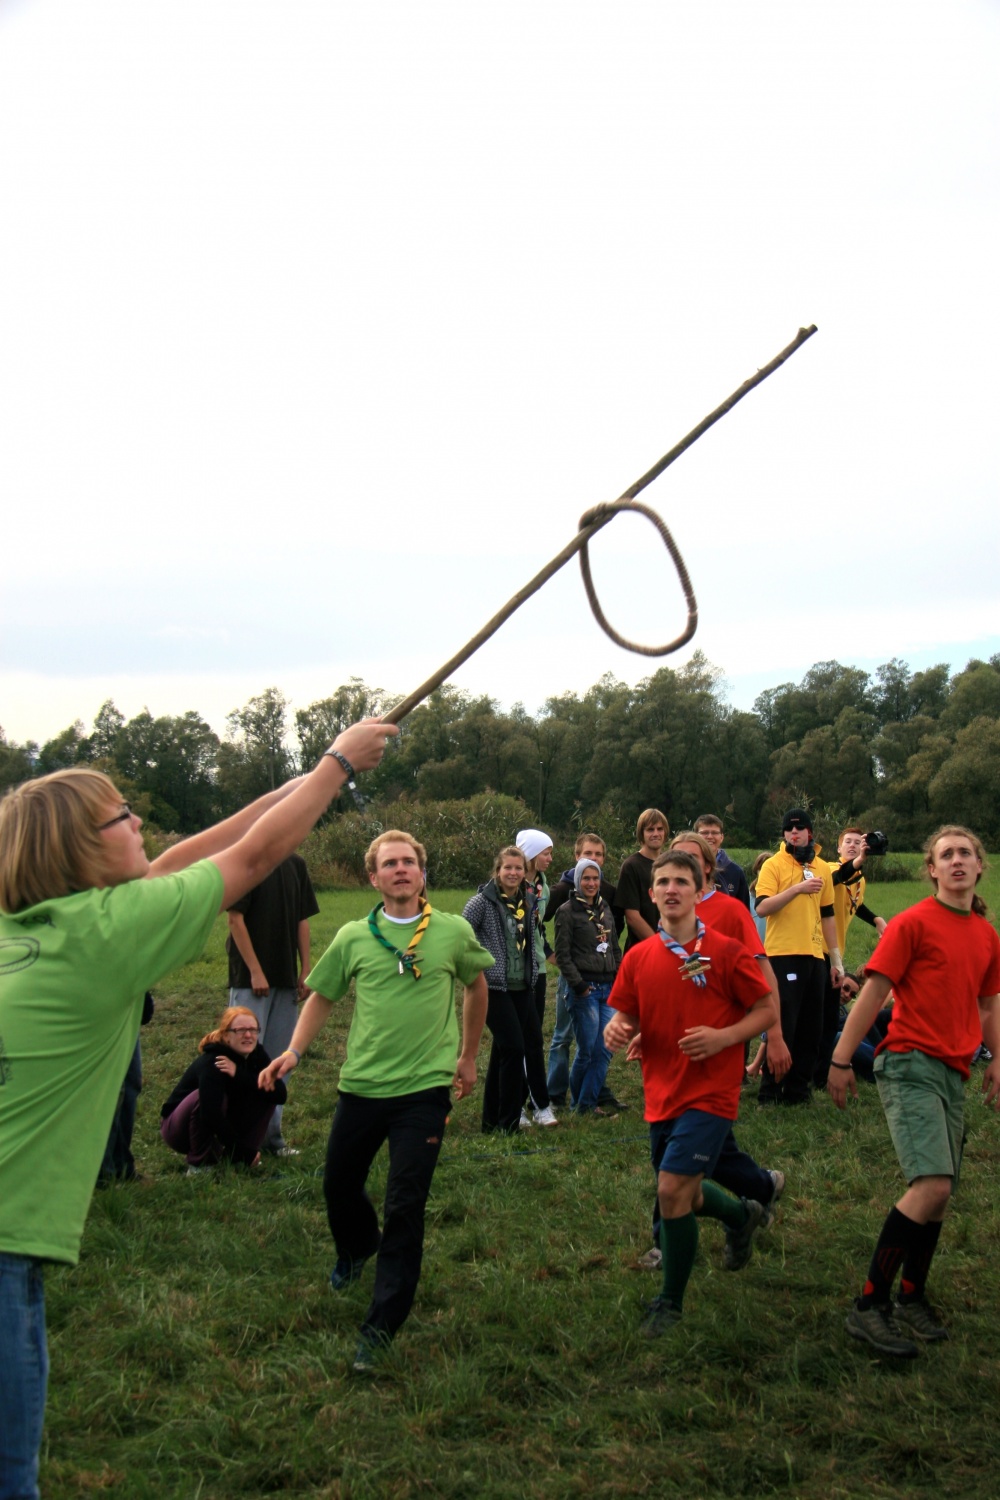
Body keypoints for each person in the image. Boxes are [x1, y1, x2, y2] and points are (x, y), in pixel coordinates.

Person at [0, 716, 394, 1496]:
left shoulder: (30, 926)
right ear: (80, 849)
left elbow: (194, 853)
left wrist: (316, 775)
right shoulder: (107, 934)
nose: (139, 820)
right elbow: (250, 858)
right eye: (121, 815)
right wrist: (340, 764)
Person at [258, 830, 491, 1373]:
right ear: (374, 876)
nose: (401, 870)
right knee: (338, 1185)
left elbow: (476, 986)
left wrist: (468, 1056)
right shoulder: (354, 936)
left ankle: (381, 1325)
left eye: (410, 861)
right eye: (390, 864)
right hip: (361, 1086)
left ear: (423, 872)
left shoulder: (453, 931)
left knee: (404, 1206)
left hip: (425, 1092)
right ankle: (358, 1247)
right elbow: (322, 997)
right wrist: (293, 1051)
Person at [827, 825, 1000, 1357]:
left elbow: (989, 1005)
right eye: (945, 855)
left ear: (979, 867)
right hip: (909, 1064)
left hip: (955, 1071)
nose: (955, 862)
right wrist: (838, 1059)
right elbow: (873, 991)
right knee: (932, 1184)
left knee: (940, 1197)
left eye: (965, 854)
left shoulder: (986, 935)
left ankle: (912, 1296)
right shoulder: (911, 923)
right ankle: (869, 1305)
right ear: (931, 869)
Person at [604, 850, 776, 1336]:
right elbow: (630, 1013)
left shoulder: (724, 950)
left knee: (671, 1189)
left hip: (713, 1092)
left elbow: (765, 1011)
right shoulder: (638, 957)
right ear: (652, 892)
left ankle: (669, 1303)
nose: (673, 889)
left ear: (701, 890)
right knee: (689, 1192)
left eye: (683, 881)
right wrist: (620, 1029)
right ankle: (742, 1216)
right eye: (664, 881)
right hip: (662, 1091)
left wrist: (724, 1038)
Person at [226, 853, 319, 1155]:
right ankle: (237, 1142)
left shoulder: (296, 864)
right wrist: (254, 970)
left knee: (280, 1059)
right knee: (244, 1059)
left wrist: (305, 969)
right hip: (250, 981)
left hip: (285, 978)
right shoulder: (250, 860)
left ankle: (270, 1138)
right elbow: (235, 918)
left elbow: (302, 920)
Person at [754, 808, 843, 1105]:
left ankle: (798, 1090)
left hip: (815, 956)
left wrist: (836, 961)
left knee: (811, 1026)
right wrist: (798, 889)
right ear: (784, 834)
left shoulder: (822, 868)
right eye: (789, 830)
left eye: (800, 829)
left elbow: (828, 915)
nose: (794, 833)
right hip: (782, 954)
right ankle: (770, 1089)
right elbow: (763, 907)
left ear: (810, 833)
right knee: (784, 1023)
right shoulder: (773, 865)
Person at [463, 846, 553, 1133]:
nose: (513, 873)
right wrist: (477, 967)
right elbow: (461, 936)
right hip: (494, 987)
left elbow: (533, 937)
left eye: (518, 868)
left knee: (503, 1052)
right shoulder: (481, 902)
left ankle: (491, 1122)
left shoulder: (528, 898)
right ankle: (510, 1122)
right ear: (497, 871)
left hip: (522, 985)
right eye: (508, 868)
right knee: (514, 1048)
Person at [545, 831, 626, 1109]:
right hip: (578, 984)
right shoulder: (563, 903)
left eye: (598, 857)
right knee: (566, 1039)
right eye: (587, 856)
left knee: (601, 1048)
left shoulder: (606, 902)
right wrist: (553, 959)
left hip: (606, 983)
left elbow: (614, 940)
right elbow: (537, 921)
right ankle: (555, 1095)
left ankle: (588, 1101)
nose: (592, 880)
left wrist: (615, 973)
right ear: (577, 860)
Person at [160, 1005, 286, 1171]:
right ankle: (200, 1165)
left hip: (222, 1127)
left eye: (253, 1030)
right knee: (202, 1098)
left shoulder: (257, 1055)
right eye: (240, 1030)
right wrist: (240, 1150)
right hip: (178, 1130)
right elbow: (210, 1114)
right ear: (226, 1035)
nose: (248, 1035)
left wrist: (239, 1074)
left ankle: (237, 1160)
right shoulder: (214, 1061)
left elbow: (280, 1095)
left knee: (265, 1090)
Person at [813, 827, 888, 1087]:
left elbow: (855, 902)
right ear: (839, 848)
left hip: (835, 954)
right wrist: (858, 862)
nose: (855, 845)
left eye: (859, 842)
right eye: (849, 842)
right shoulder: (830, 868)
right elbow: (836, 880)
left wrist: (876, 918)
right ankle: (816, 1072)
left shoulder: (860, 879)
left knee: (829, 1018)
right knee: (821, 1017)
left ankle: (821, 1073)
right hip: (816, 949)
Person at [515, 828, 558, 1127]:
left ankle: (540, 1104)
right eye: (546, 852)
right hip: (514, 971)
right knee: (514, 1038)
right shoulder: (512, 883)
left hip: (538, 970)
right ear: (530, 854)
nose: (550, 859)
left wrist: (551, 954)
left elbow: (539, 927)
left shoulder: (544, 886)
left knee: (533, 1036)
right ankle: (515, 1105)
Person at [616, 808, 670, 952]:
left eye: (660, 829)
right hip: (642, 949)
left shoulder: (671, 864)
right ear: (641, 833)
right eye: (650, 830)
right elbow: (632, 917)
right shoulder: (631, 866)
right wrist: (658, 945)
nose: (656, 834)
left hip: (673, 946)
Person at [693, 814, 751, 908]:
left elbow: (744, 911)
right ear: (695, 836)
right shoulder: (687, 869)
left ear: (722, 837)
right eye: (705, 833)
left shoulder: (735, 872)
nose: (710, 836)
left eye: (715, 833)